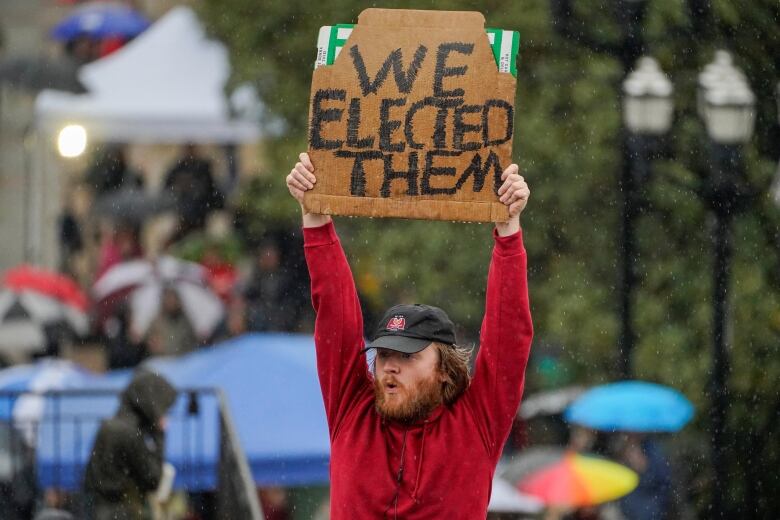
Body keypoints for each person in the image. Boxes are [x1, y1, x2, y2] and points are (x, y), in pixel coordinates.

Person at [286, 152, 533, 518]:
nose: (390, 367)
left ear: (444, 370)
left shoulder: (476, 422)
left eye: (408, 356)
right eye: (385, 355)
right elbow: (335, 315)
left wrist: (509, 228)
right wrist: (315, 214)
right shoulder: (352, 409)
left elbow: (508, 335)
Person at [84, 370, 177, 520]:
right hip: (119, 512)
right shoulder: (129, 433)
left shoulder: (113, 426)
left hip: (104, 510)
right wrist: (159, 434)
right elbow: (153, 479)